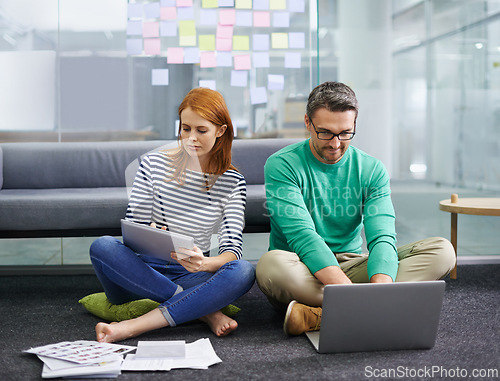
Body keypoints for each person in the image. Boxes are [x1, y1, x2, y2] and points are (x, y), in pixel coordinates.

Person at [256, 81, 456, 336]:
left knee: (442, 251)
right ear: (307, 123)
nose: (336, 143)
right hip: (299, 268)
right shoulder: (282, 165)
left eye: (345, 133)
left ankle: (319, 314)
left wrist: (379, 287)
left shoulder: (371, 169)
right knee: (269, 266)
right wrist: (353, 295)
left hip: (351, 266)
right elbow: (301, 236)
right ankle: (374, 309)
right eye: (325, 132)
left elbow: (382, 236)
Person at [89, 87, 255, 343]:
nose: (191, 138)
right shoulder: (153, 164)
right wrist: (152, 233)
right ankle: (205, 311)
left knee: (243, 271)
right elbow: (133, 227)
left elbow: (232, 250)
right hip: (140, 270)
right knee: (102, 246)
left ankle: (131, 327)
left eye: (202, 130)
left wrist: (203, 263)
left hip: (191, 273)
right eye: (185, 129)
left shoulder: (233, 181)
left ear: (220, 131)